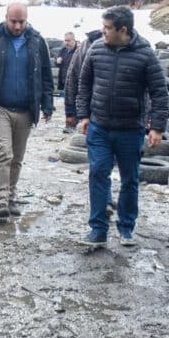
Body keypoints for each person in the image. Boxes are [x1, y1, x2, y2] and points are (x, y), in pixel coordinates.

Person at [76, 6, 167, 248]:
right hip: (99, 127)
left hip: (130, 129)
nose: (102, 32)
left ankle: (126, 227)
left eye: (107, 28)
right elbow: (84, 85)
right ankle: (98, 229)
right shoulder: (96, 50)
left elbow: (159, 93)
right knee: (98, 172)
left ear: (122, 30)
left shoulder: (145, 55)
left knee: (129, 180)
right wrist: (83, 115)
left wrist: (156, 127)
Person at [0, 2, 54, 218]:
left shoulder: (36, 41)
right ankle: (0, 200)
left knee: (16, 157)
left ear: (27, 19)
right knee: (2, 153)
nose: (17, 26)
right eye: (13, 21)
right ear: (6, 17)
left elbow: (45, 75)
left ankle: (11, 195)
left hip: (25, 109)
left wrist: (47, 102)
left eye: (21, 22)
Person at [64, 29, 114, 212]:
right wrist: (71, 111)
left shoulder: (127, 47)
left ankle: (113, 203)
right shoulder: (84, 50)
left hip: (122, 117)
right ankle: (105, 201)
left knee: (118, 164)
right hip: (95, 115)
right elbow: (73, 79)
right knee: (99, 161)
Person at [55, 32, 77, 100]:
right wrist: (57, 61)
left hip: (73, 82)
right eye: (65, 40)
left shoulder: (78, 51)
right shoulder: (63, 50)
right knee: (65, 102)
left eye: (68, 40)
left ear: (73, 40)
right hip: (63, 81)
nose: (66, 42)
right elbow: (57, 64)